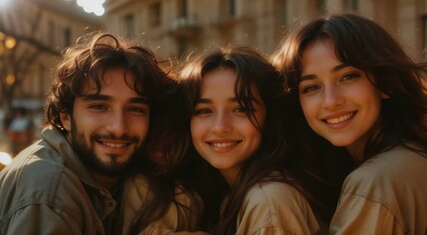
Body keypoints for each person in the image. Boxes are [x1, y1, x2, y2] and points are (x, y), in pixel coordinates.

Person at [0, 33, 201, 234]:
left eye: (135, 109)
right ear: (66, 117)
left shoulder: (128, 180)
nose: (118, 127)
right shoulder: (48, 190)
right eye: (99, 106)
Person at [272, 13, 427, 234]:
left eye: (347, 77)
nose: (331, 101)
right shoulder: (412, 155)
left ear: (385, 83)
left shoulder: (373, 183)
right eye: (311, 87)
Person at [178, 46, 322, 234]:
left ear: (270, 119)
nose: (220, 127)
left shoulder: (268, 201)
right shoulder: (225, 194)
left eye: (240, 109)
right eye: (204, 111)